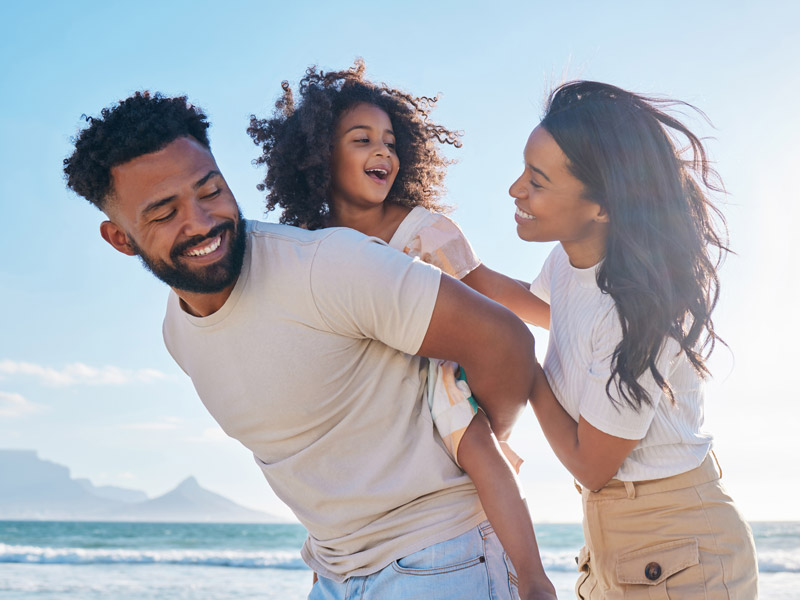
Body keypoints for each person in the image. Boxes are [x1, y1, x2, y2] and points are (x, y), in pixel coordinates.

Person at [63, 91, 551, 600]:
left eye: (210, 191)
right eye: (164, 213)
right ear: (120, 239)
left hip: (440, 560)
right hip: (333, 573)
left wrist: (469, 435)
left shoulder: (326, 265)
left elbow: (505, 340)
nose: (201, 221)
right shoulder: (178, 333)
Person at [247, 60, 555, 598]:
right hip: (363, 401)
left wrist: (566, 313)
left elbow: (489, 287)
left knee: (480, 450)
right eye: (362, 139)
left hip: (430, 378)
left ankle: (533, 580)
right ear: (322, 156)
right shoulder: (310, 246)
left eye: (390, 141)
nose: (382, 151)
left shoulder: (422, 230)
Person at [509, 81, 758, 598]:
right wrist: (444, 257)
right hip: (616, 543)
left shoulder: (637, 310)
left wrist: (520, 368)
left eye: (537, 181)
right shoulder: (570, 260)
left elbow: (591, 465)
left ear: (602, 206)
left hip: (681, 551)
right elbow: (546, 312)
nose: (516, 189)